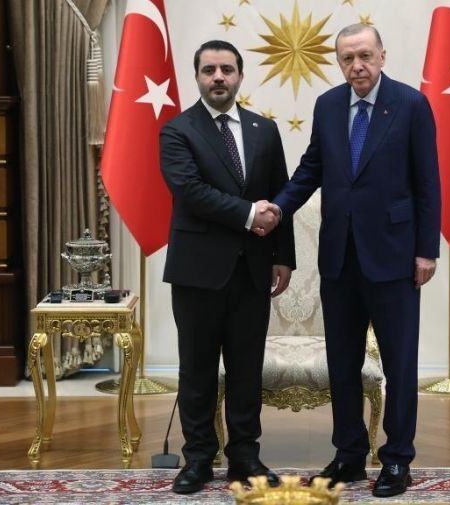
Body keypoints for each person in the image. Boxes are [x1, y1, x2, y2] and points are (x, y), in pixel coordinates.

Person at [268, 24, 441, 498]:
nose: (357, 66)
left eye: (364, 55)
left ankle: (397, 458)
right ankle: (348, 454)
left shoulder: (411, 105)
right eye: (347, 58)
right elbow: (311, 169)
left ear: (382, 55)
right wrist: (278, 208)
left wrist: (427, 250)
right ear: (339, 62)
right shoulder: (327, 105)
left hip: (395, 257)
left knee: (399, 363)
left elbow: (428, 182)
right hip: (339, 258)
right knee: (342, 363)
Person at [159, 39, 296, 495]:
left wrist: (283, 256)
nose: (218, 77)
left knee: (245, 370)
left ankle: (245, 457)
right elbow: (190, 190)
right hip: (197, 272)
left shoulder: (264, 130)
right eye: (209, 70)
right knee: (197, 370)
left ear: (239, 75)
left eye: (226, 69)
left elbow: (280, 193)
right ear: (197, 77)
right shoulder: (177, 130)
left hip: (253, 271)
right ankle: (198, 459)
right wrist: (249, 214)